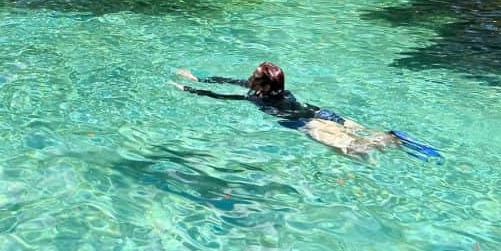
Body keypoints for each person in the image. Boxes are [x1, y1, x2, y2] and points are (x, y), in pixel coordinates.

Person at [173, 64, 439, 160]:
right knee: (361, 134)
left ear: (262, 84)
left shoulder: (258, 99)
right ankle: (392, 137)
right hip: (324, 113)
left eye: (254, 76)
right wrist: (198, 77)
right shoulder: (277, 91)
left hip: (311, 124)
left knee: (354, 150)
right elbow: (229, 82)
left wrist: (188, 90)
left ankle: (390, 139)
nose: (249, 78)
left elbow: (224, 96)